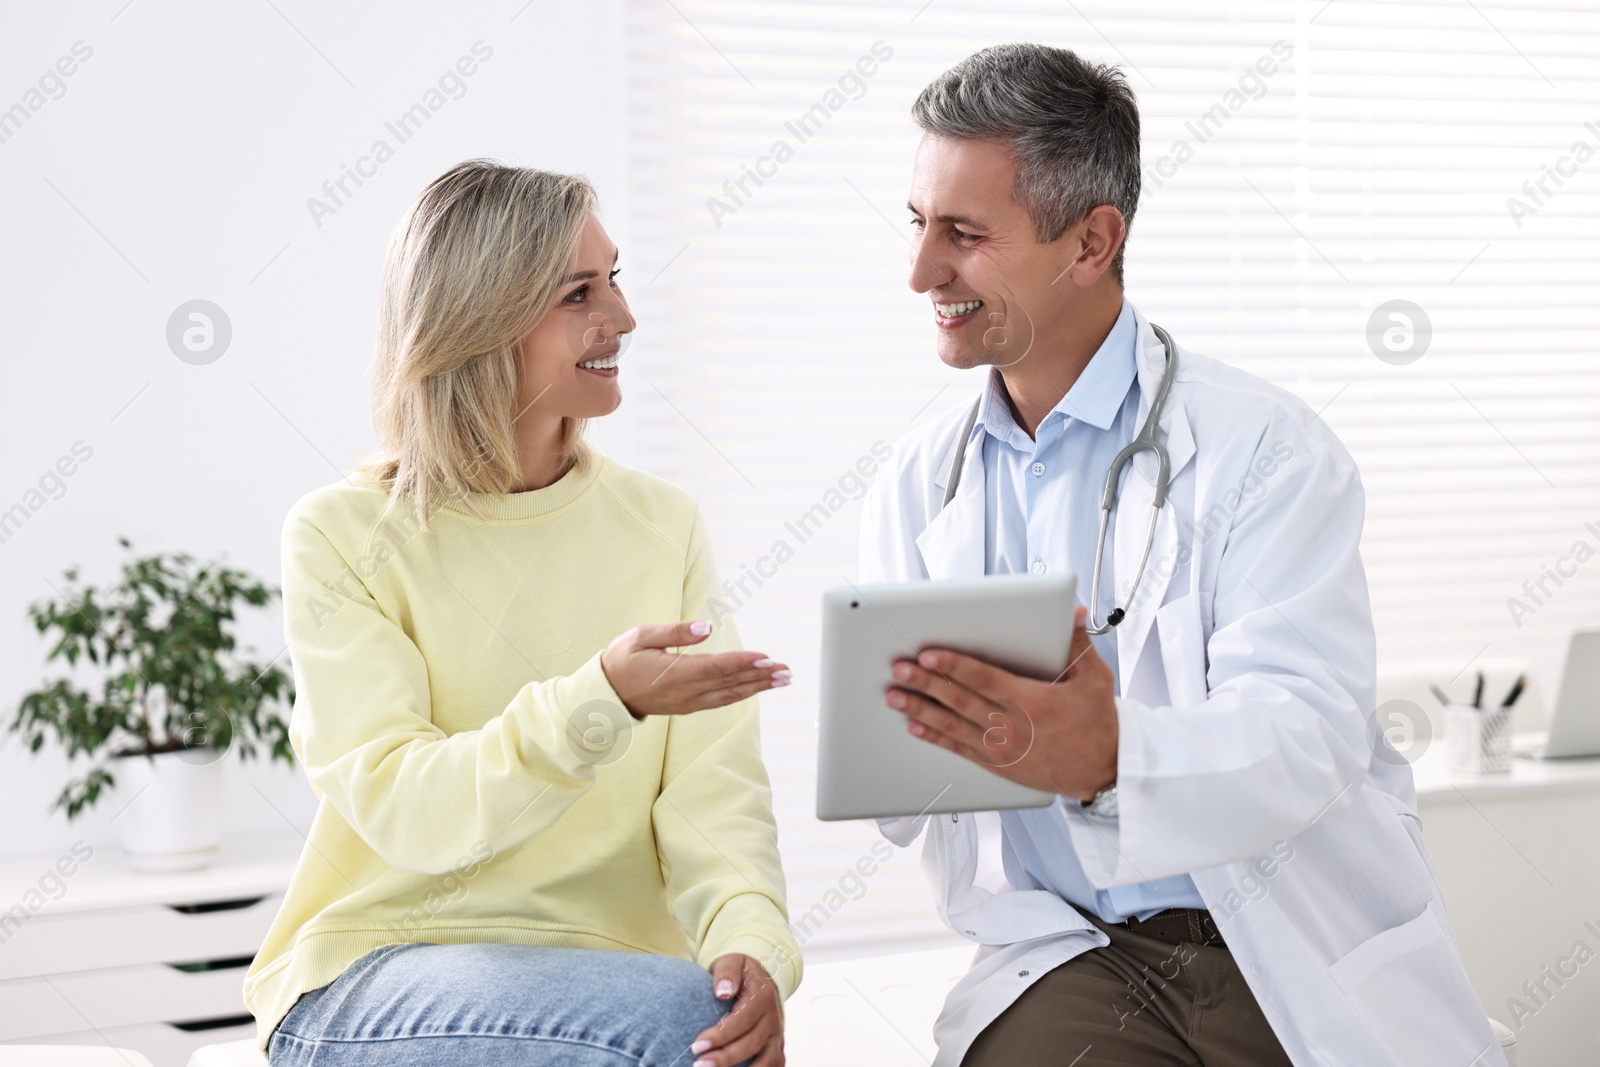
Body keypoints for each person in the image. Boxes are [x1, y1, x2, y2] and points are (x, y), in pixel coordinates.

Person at [859, 44, 1506, 1067]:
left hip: (1277, 937)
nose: (919, 271)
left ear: (1091, 240)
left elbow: (1308, 732)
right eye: (917, 221)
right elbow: (896, 784)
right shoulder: (917, 479)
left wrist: (1111, 755)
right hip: (1074, 951)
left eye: (963, 234)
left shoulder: (1264, 449)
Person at [243, 159, 798, 1067]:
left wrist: (751, 947)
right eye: (579, 293)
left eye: (613, 278)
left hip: (594, 982)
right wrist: (600, 702)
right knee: (673, 1029)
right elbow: (407, 810)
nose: (622, 317)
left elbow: (714, 797)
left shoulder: (661, 526)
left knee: (714, 1021)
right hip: (374, 971)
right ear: (480, 320)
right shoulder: (344, 534)